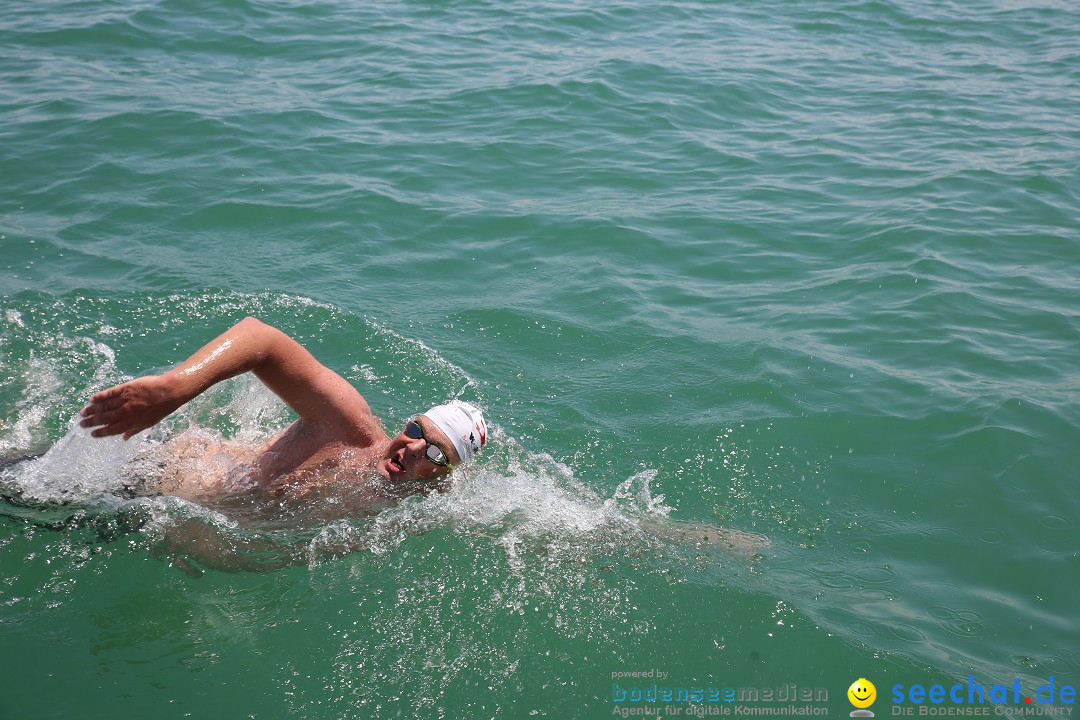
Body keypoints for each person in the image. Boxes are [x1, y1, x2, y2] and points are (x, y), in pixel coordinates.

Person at [79, 316, 487, 505]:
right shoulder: (349, 429)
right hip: (145, 477)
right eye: (417, 432)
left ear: (444, 475)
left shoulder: (423, 504)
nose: (413, 449)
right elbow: (261, 340)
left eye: (436, 453)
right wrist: (173, 390)